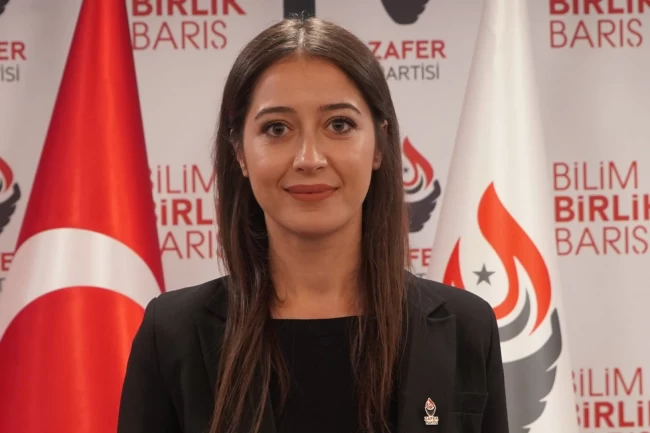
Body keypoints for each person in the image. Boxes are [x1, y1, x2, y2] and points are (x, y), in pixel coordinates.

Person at [117, 15, 509, 433]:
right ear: (240, 153)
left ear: (379, 145)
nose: (309, 158)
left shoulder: (466, 327)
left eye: (339, 125)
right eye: (277, 128)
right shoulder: (171, 335)